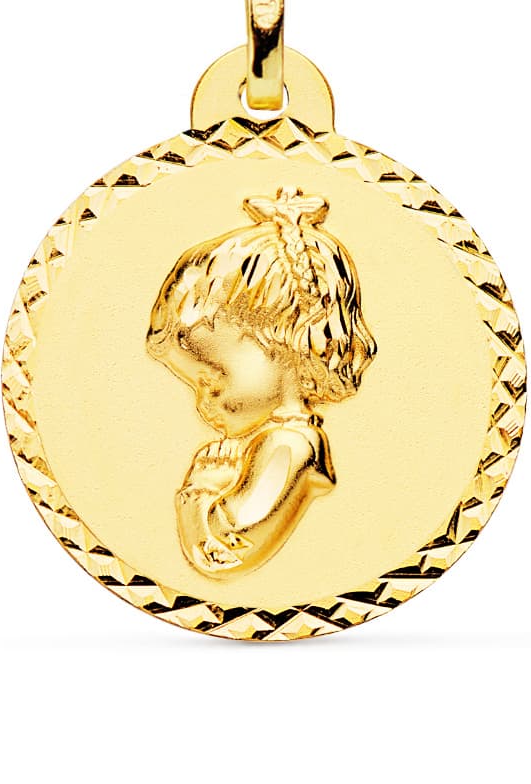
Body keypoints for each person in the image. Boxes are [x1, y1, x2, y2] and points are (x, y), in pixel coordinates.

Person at [146, 186, 377, 576]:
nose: (202, 404)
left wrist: (199, 493)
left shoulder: (290, 444)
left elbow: (227, 551)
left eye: (211, 379)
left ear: (281, 339)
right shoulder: (279, 439)